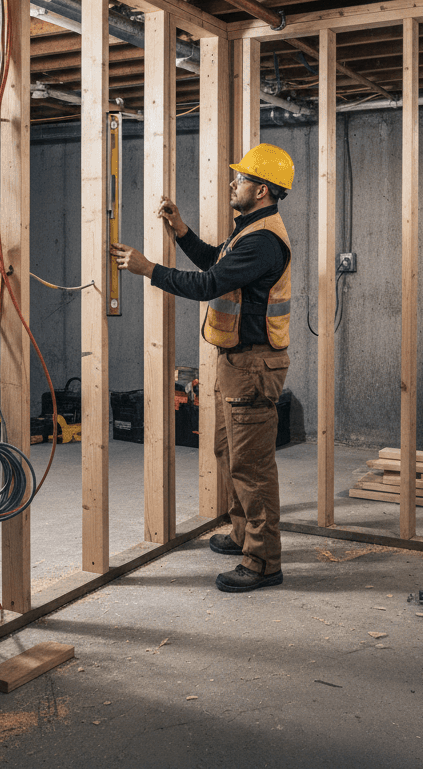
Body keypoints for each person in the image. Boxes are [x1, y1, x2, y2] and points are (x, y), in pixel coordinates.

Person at [110, 142, 294, 593]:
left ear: (263, 189)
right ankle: (241, 534)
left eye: (243, 178)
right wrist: (181, 231)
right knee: (229, 454)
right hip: (236, 361)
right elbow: (217, 262)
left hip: (253, 365)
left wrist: (148, 268)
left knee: (252, 466)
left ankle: (264, 561)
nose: (235, 182)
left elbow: (210, 283)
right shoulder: (250, 230)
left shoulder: (265, 241)